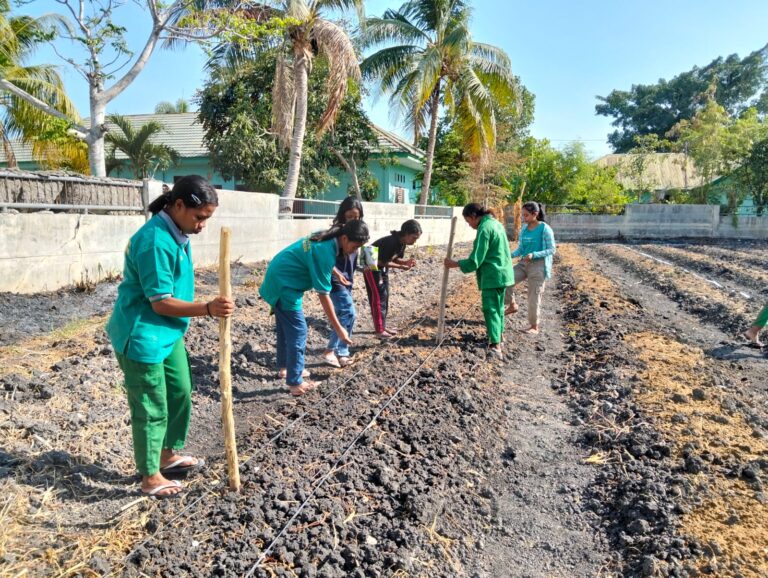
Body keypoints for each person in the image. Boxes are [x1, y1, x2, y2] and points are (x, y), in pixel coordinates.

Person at [106, 175, 235, 499]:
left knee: (180, 392)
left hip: (167, 332)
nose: (203, 225)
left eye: (207, 218)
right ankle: (150, 476)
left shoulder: (178, 231)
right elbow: (160, 301)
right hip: (142, 334)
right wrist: (207, 308)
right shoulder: (154, 240)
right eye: (200, 217)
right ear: (179, 206)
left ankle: (169, 453)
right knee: (151, 406)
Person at [259, 220, 370, 395]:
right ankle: (296, 383)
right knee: (299, 330)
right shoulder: (325, 251)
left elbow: (314, 257)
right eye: (355, 246)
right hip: (285, 284)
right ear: (344, 238)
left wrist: (336, 272)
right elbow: (324, 296)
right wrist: (339, 328)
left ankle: (285, 368)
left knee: (284, 327)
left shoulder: (327, 236)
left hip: (278, 275)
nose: (354, 251)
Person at [444, 204, 514, 359]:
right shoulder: (495, 223)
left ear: (474, 216)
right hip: (502, 273)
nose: (469, 225)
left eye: (468, 221)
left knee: (491, 309)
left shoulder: (484, 229)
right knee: (498, 307)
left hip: (492, 274)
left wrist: (455, 263)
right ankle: (499, 336)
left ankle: (495, 345)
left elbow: (476, 259)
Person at [320, 197, 364, 368]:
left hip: (348, 279)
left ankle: (338, 350)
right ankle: (335, 351)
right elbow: (323, 256)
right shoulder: (336, 232)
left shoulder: (358, 231)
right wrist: (337, 273)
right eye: (350, 217)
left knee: (345, 315)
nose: (353, 220)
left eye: (356, 217)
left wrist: (363, 267)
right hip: (335, 280)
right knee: (349, 313)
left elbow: (355, 256)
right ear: (343, 215)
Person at [363, 219, 422, 338]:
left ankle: (382, 326)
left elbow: (393, 259)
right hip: (371, 267)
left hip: (380, 267)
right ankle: (379, 330)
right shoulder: (391, 241)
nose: (415, 241)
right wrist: (402, 266)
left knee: (385, 295)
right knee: (378, 297)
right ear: (405, 233)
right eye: (414, 237)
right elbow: (384, 261)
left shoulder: (401, 243)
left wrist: (405, 262)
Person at [505, 201, 556, 335]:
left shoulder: (544, 229)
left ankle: (534, 326)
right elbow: (521, 249)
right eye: (522, 215)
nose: (523, 218)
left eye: (526, 215)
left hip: (538, 266)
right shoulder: (524, 229)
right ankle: (511, 305)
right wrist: (508, 255)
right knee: (506, 278)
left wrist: (534, 254)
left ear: (535, 214)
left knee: (533, 296)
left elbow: (552, 249)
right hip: (524, 263)